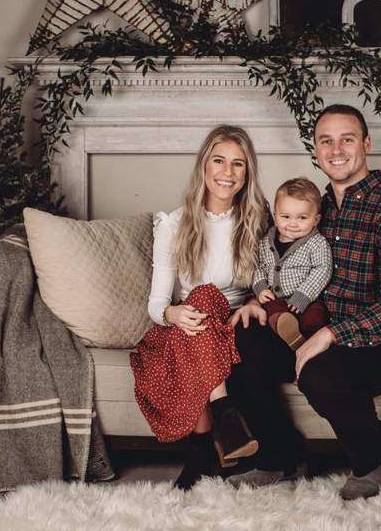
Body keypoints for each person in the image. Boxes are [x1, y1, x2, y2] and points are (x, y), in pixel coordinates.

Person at [226, 104, 381, 501]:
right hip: (309, 331)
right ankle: (282, 456)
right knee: (240, 338)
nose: (336, 149)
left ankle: (374, 457)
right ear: (316, 150)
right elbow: (276, 262)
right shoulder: (312, 210)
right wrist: (255, 299)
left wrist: (332, 334)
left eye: (347, 139)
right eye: (326, 140)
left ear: (366, 144)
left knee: (319, 370)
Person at [133, 124, 270, 489]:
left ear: (247, 173)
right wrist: (174, 314)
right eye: (219, 161)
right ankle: (224, 421)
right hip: (191, 324)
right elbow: (158, 304)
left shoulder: (258, 220)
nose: (227, 173)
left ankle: (202, 451)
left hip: (239, 322)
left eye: (238, 164)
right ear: (204, 166)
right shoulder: (174, 224)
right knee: (202, 298)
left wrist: (256, 301)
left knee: (208, 296)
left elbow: (272, 281)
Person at [252, 177, 331, 349]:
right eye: (286, 217)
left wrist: (303, 296)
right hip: (276, 296)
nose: (293, 224)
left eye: (302, 218)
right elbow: (258, 266)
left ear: (316, 219)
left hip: (308, 299)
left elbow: (323, 269)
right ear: (275, 216)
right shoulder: (267, 241)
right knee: (272, 310)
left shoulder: (316, 242)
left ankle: (309, 342)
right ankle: (284, 328)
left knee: (314, 318)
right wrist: (260, 288)